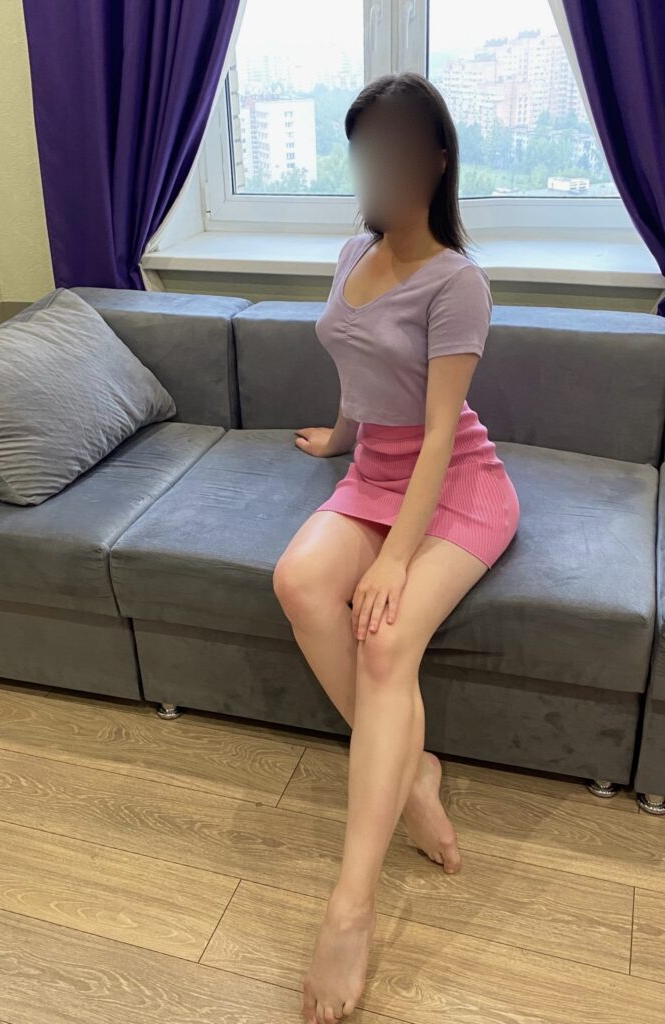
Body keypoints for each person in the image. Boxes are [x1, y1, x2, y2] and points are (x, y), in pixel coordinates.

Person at [272, 71, 521, 1024]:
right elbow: (355, 363)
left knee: (383, 643)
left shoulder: (458, 283)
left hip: (455, 483)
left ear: (436, 160)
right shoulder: (351, 252)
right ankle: (411, 770)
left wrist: (393, 559)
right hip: (375, 470)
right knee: (299, 582)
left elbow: (441, 429)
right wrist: (340, 439)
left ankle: (351, 907)